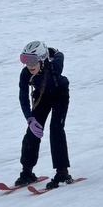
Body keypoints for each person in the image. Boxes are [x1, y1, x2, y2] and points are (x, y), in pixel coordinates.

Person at [16, 41, 73, 189]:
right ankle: (27, 172)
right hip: (42, 96)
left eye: (32, 60)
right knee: (32, 132)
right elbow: (23, 97)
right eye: (24, 59)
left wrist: (53, 52)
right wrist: (29, 119)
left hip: (60, 94)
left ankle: (62, 173)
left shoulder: (54, 66)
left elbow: (60, 55)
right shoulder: (25, 74)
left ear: (42, 59)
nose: (28, 64)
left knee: (56, 129)